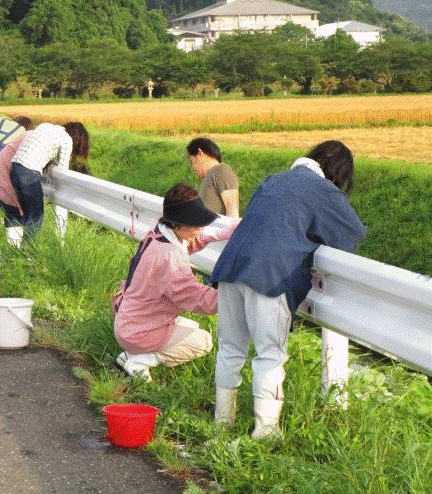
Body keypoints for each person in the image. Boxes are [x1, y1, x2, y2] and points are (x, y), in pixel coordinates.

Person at [209, 140, 366, 439]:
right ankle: (266, 431)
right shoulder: (323, 189)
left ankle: (222, 422)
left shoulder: (275, 179)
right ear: (337, 173)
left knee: (230, 348)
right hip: (270, 276)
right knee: (269, 354)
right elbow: (353, 233)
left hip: (231, 268)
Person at [113, 183, 235, 382]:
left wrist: (220, 234)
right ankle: (142, 361)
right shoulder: (170, 257)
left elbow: (185, 245)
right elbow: (196, 298)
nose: (200, 228)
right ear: (177, 224)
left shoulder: (158, 232)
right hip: (139, 331)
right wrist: (233, 297)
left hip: (129, 320)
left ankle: (129, 354)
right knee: (203, 341)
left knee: (191, 327)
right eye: (195, 225)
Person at [8, 121, 90, 241]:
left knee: (27, 214)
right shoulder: (67, 140)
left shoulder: (44, 126)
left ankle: (19, 249)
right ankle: (25, 253)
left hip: (14, 168)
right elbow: (62, 170)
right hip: (29, 172)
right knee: (36, 217)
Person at [187, 137, 240, 218]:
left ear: (199, 153)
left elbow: (232, 211)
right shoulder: (209, 175)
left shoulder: (221, 170)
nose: (193, 167)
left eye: (192, 161)